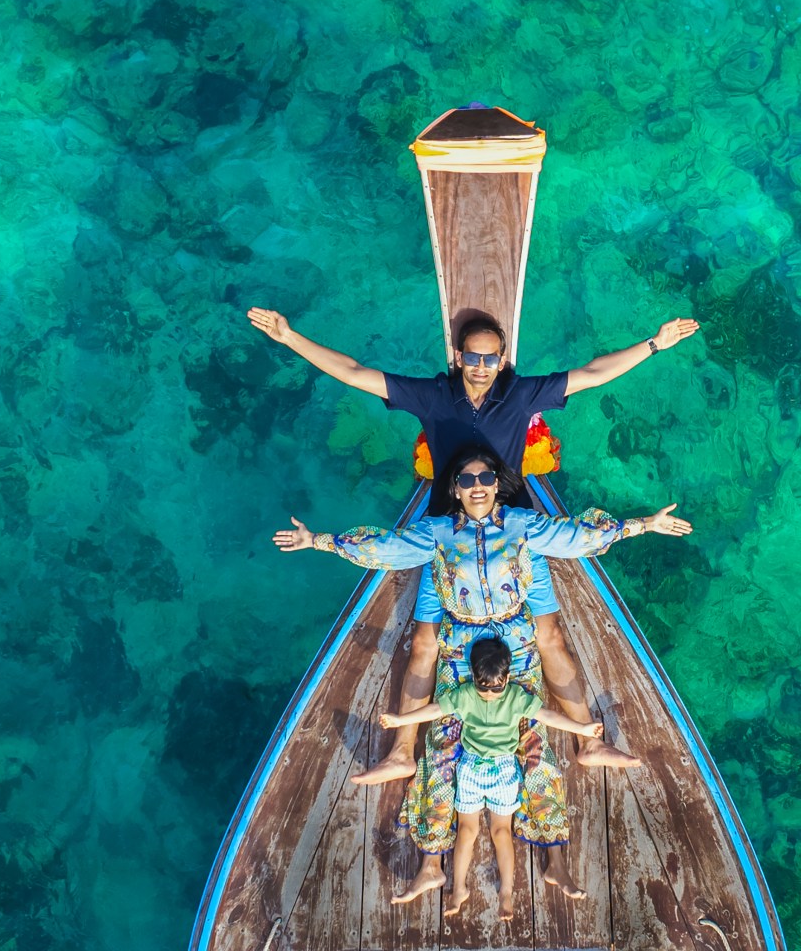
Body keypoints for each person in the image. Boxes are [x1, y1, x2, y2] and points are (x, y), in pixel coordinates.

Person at [249, 307, 699, 781]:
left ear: (503, 360)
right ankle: (402, 752)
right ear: (457, 356)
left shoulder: (521, 394)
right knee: (423, 642)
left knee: (551, 638)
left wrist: (654, 344)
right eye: (472, 357)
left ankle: (591, 741)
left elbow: (592, 373)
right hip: (448, 533)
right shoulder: (433, 397)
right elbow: (356, 373)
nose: (481, 367)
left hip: (517, 531)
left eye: (490, 358)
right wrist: (290, 337)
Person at [272, 445, 693, 902]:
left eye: (485, 478)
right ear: (454, 489)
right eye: (467, 480)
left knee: (534, 746)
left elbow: (578, 537)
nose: (477, 487)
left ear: (497, 483)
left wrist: (644, 524)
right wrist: (317, 541)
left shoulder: (522, 525)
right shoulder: (436, 532)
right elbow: (385, 548)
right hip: (460, 650)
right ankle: (431, 864)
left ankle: (556, 861)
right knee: (441, 750)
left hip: (514, 649)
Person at [378, 637, 605, 920]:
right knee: (469, 833)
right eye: (485, 688)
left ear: (505, 677)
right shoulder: (487, 694)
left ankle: (506, 894)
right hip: (476, 771)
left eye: (494, 688)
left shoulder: (491, 695)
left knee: (499, 833)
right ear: (479, 677)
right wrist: (401, 720)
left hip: (496, 772)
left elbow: (549, 717)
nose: (490, 694)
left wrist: (582, 729)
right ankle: (458, 888)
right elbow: (435, 710)